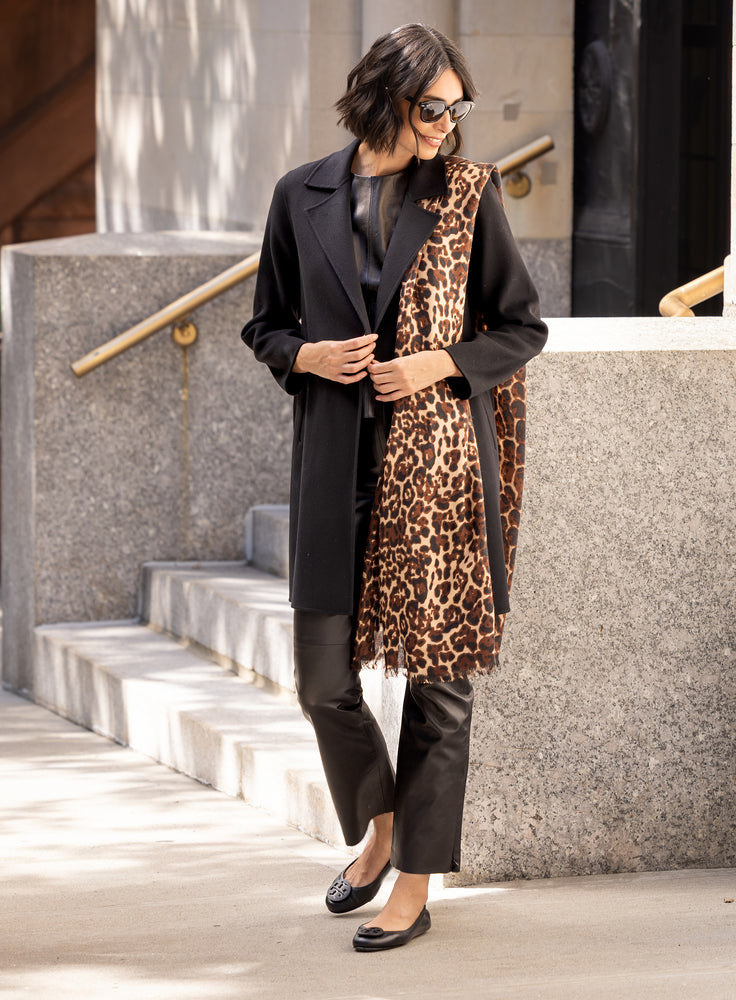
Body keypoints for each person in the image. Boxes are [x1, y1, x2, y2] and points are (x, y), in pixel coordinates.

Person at [241, 22, 548, 952]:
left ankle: (414, 884)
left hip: (441, 471)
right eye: (433, 108)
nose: (448, 125)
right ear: (384, 98)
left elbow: (522, 327)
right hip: (336, 467)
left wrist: (437, 365)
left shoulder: (465, 192)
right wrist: (308, 357)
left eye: (458, 108)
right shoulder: (301, 194)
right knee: (322, 681)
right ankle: (381, 826)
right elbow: (265, 325)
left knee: (440, 690)